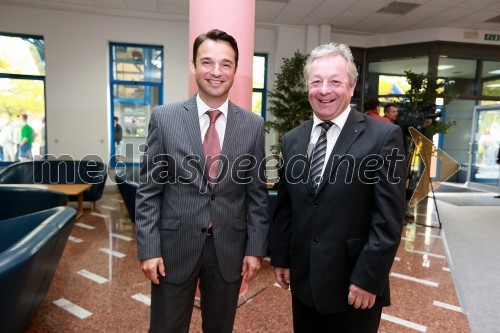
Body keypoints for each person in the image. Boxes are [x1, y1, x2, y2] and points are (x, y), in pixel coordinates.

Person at [135, 29, 268, 333]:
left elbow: (257, 194)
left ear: (236, 69)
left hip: (229, 249)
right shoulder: (164, 118)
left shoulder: (253, 124)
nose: (216, 72)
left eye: (226, 64)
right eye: (207, 62)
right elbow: (148, 191)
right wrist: (148, 248)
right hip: (173, 247)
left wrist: (255, 248)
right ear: (193, 66)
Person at [271, 42, 406, 333]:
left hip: (355, 288)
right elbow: (286, 206)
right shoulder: (293, 139)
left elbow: (389, 219)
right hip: (304, 285)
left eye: (335, 81)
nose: (324, 90)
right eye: (316, 81)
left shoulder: (384, 137)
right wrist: (281, 257)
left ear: (352, 86)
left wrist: (369, 279)